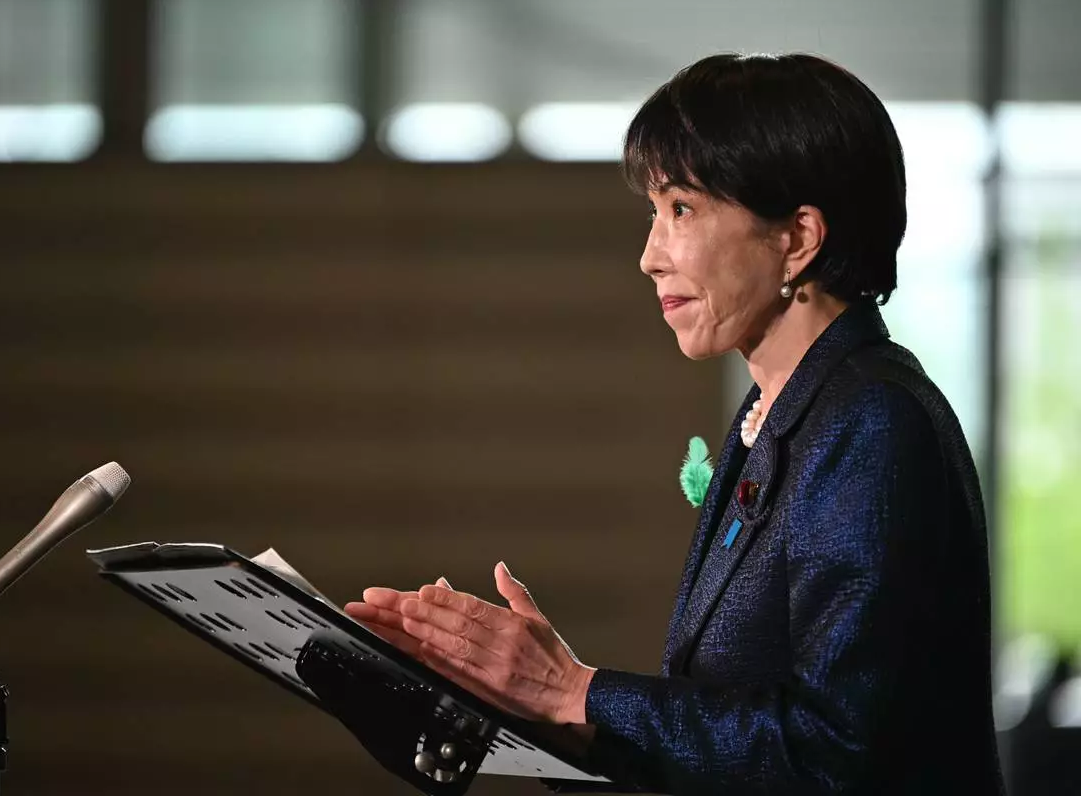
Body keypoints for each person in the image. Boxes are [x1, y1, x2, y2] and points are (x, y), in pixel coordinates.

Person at [345, 52, 1005, 795]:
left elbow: (833, 751)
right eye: (653, 214)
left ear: (797, 238)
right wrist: (553, 712)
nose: (649, 257)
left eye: (681, 209)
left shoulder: (871, 422)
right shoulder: (780, 412)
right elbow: (733, 738)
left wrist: (577, 690)